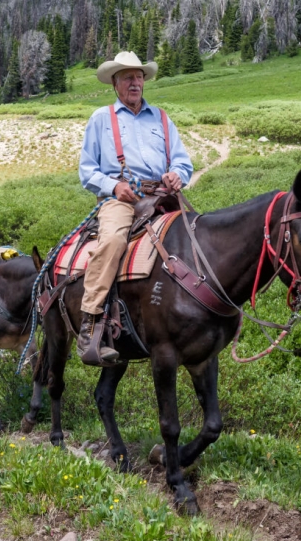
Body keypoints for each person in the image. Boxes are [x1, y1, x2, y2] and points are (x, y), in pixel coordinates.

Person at [77, 51, 193, 364]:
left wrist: (176, 175)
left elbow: (183, 161)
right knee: (113, 241)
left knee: (197, 235)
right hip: (122, 200)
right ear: (115, 83)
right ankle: (90, 321)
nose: (135, 82)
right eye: (128, 77)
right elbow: (87, 172)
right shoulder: (102, 119)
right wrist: (114, 186)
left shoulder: (162, 118)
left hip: (162, 196)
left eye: (139, 76)